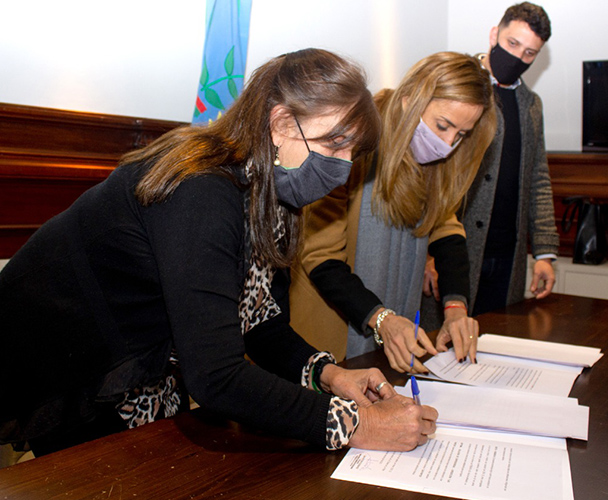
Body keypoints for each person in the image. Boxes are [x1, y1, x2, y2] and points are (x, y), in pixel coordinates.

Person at [0, 49, 438, 457]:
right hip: (69, 366)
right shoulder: (202, 190)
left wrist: (330, 375)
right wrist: (357, 425)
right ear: (282, 123)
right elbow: (216, 376)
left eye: (352, 152)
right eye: (335, 143)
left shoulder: (273, 193)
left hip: (140, 366)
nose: (342, 169)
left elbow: (260, 323)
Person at [290, 52, 497, 374]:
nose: (448, 144)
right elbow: (321, 256)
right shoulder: (350, 144)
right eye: (442, 125)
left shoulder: (435, 165)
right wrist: (381, 318)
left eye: (461, 135)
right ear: (408, 100)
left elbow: (446, 229)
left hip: (392, 330)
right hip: (330, 333)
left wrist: (456, 307)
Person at [426, 2, 559, 319]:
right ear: (494, 34)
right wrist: (428, 254)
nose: (518, 57)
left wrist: (544, 252)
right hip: (455, 250)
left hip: (507, 254)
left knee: (496, 338)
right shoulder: (456, 85)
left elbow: (538, 178)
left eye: (529, 53)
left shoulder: (532, 105)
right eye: (513, 44)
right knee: (442, 343)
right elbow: (430, 172)